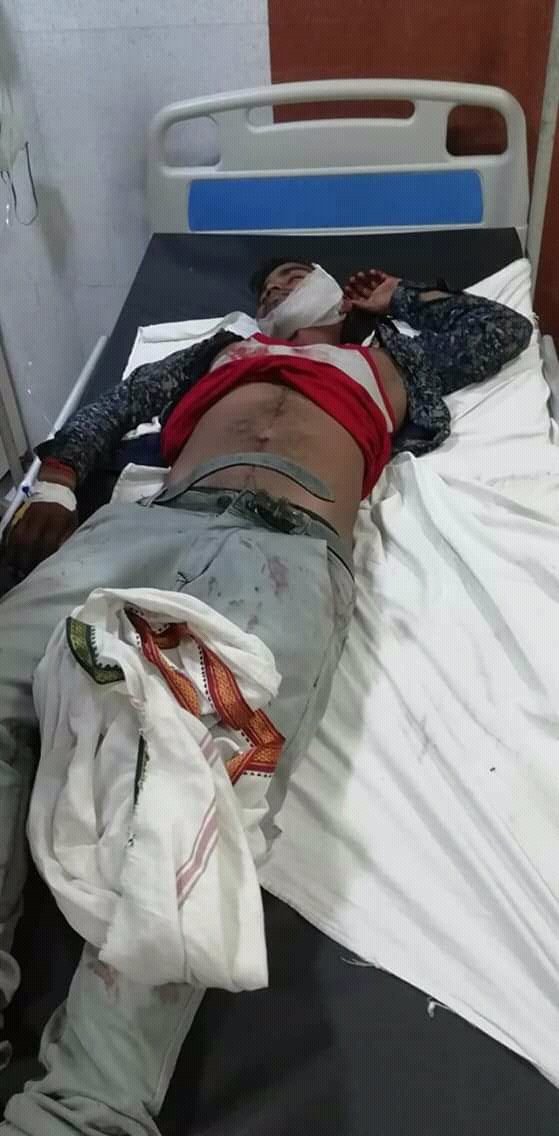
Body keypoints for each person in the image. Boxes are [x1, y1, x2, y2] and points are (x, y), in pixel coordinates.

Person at [0, 262, 531, 1136]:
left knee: (208, 782)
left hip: (287, 551)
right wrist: (57, 480)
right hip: (150, 524)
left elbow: (499, 333)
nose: (281, 285)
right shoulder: (221, 350)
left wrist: (397, 300)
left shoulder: (392, 360)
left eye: (297, 274)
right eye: (270, 283)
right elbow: (115, 406)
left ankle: (85, 1112)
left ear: (341, 295)